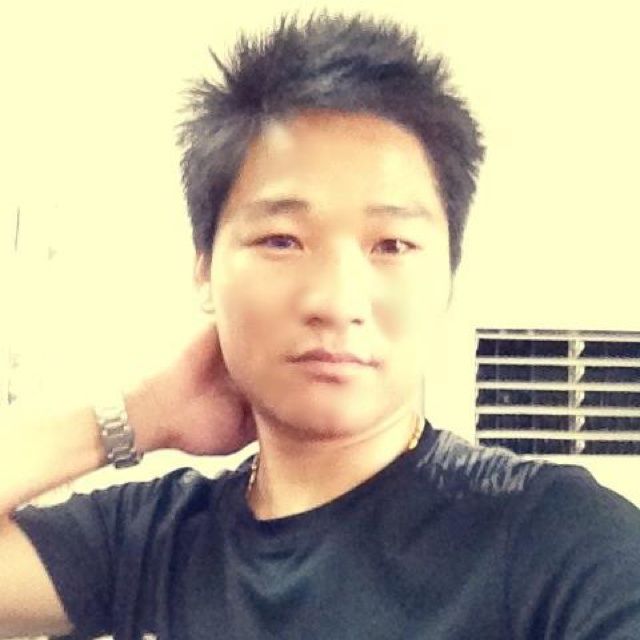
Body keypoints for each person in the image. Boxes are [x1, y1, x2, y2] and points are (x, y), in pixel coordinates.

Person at [1, 11, 639, 640]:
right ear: (204, 271)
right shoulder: (155, 541)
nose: (337, 301)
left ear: (448, 278)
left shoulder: (559, 542)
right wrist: (144, 415)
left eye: (391, 245)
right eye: (281, 240)